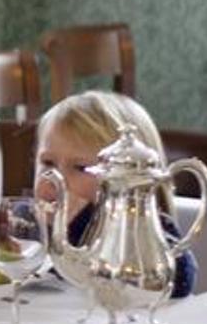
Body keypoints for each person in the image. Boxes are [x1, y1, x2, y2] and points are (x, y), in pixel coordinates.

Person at [34, 90, 197, 298]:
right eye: (48, 163)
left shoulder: (141, 227)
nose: (57, 179)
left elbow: (181, 280)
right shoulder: (28, 222)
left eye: (81, 168)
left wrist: (82, 224)